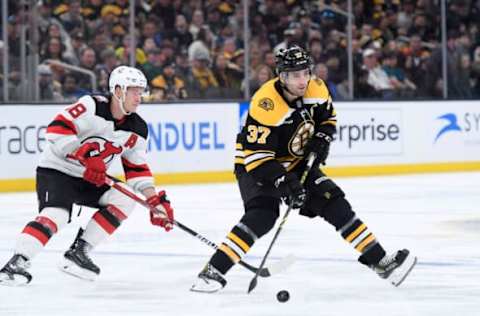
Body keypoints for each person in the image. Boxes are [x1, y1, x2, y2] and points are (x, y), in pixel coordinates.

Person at [190, 46, 417, 293]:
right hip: (255, 163)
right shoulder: (266, 104)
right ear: (282, 76)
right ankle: (212, 271)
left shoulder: (316, 86)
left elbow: (328, 119)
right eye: (295, 75)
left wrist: (322, 138)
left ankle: (381, 262)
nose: (302, 80)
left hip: (296, 161)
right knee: (263, 215)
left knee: (335, 203)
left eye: (305, 72)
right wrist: (284, 183)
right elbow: (257, 158)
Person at [0, 65, 175, 286]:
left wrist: (153, 200)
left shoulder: (138, 128)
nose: (139, 97)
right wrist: (82, 154)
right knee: (57, 214)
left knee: (125, 198)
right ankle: (16, 263)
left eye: (141, 91)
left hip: (91, 178)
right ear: (118, 90)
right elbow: (56, 129)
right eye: (134, 91)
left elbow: (136, 168)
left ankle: (78, 252)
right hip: (57, 170)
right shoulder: (90, 105)